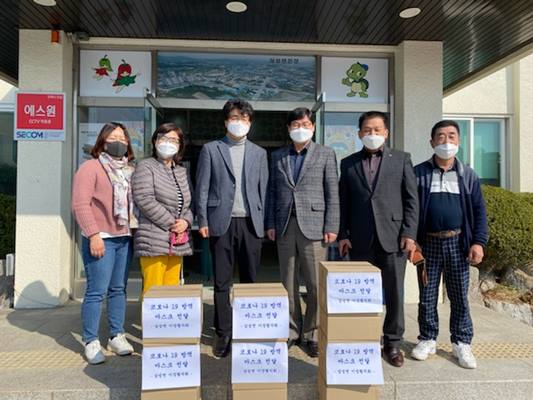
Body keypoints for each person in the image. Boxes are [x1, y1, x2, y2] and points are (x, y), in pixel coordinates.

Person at [338, 111, 419, 367]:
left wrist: (409, 234)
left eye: (377, 130)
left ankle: (392, 343)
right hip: (360, 239)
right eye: (366, 130)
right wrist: (343, 234)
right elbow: (344, 202)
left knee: (394, 292)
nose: (371, 134)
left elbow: (411, 200)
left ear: (386, 132)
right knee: (363, 294)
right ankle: (364, 337)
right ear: (359, 133)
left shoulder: (402, 160)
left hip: (393, 238)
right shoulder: (348, 163)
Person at [411, 120, 488, 369]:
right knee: (427, 295)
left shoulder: (468, 175)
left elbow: (479, 212)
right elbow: (409, 211)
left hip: (458, 244)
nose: (446, 142)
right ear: (432, 142)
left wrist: (478, 242)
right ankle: (427, 338)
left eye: (451, 136)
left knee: (459, 297)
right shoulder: (418, 173)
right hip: (428, 244)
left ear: (459, 141)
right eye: (441, 137)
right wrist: (412, 241)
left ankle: (462, 342)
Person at [195, 99, 268, 358]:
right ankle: (223, 331)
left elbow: (264, 191)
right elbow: (202, 187)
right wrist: (202, 220)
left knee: (250, 279)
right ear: (226, 120)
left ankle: (247, 328)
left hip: (251, 223)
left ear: (250, 122)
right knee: (222, 281)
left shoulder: (260, 153)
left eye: (245, 118)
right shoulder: (211, 149)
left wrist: (266, 223)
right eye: (235, 117)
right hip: (220, 222)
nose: (240, 122)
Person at [265, 107, 339, 357]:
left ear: (313, 127)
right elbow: (272, 192)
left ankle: (312, 333)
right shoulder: (277, 155)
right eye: (296, 124)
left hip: (315, 227)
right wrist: (270, 224)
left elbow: (332, 192)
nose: (301, 128)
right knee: (287, 282)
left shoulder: (326, 154)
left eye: (305, 124)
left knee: (315, 283)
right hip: (285, 225)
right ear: (288, 128)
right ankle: (291, 330)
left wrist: (332, 225)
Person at [72, 122, 137, 364]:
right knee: (96, 291)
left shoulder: (129, 170)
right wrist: (93, 234)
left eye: (122, 137)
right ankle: (90, 341)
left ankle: (116, 335)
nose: (118, 141)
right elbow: (80, 204)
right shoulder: (91, 168)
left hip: (124, 236)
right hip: (101, 238)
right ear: (103, 141)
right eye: (113, 137)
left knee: (119, 289)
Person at [132, 123, 193, 296]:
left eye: (174, 140)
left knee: (171, 291)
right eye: (164, 138)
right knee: (153, 291)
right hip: (154, 238)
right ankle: (150, 324)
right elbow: (144, 199)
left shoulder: (181, 171)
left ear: (180, 145)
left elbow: (188, 203)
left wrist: (186, 221)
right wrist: (172, 223)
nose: (169, 143)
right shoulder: (146, 166)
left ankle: (168, 324)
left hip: (177, 241)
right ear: (155, 141)